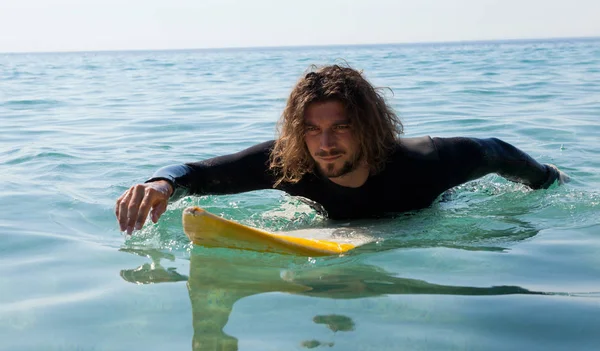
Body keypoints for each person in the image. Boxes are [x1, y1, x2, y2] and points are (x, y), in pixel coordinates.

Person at [115, 64, 569, 234]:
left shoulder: (427, 162)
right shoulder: (289, 165)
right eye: (312, 130)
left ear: (368, 127)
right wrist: (162, 183)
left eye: (341, 127)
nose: (325, 144)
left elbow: (494, 151)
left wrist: (546, 180)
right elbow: (198, 172)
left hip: (429, 212)